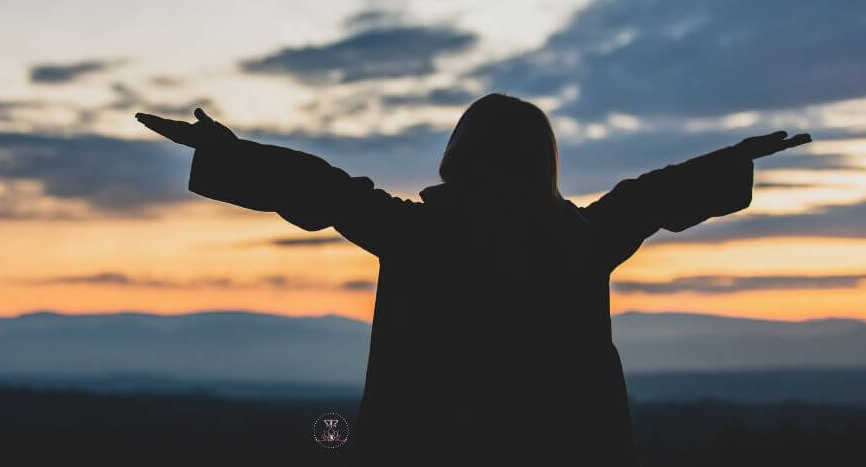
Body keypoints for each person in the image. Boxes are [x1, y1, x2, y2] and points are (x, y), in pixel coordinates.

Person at [136, 93, 811, 466]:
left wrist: (226, 154)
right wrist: (731, 160)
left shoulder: (419, 233)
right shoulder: (577, 238)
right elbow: (647, 198)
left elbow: (323, 190)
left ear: (460, 157)